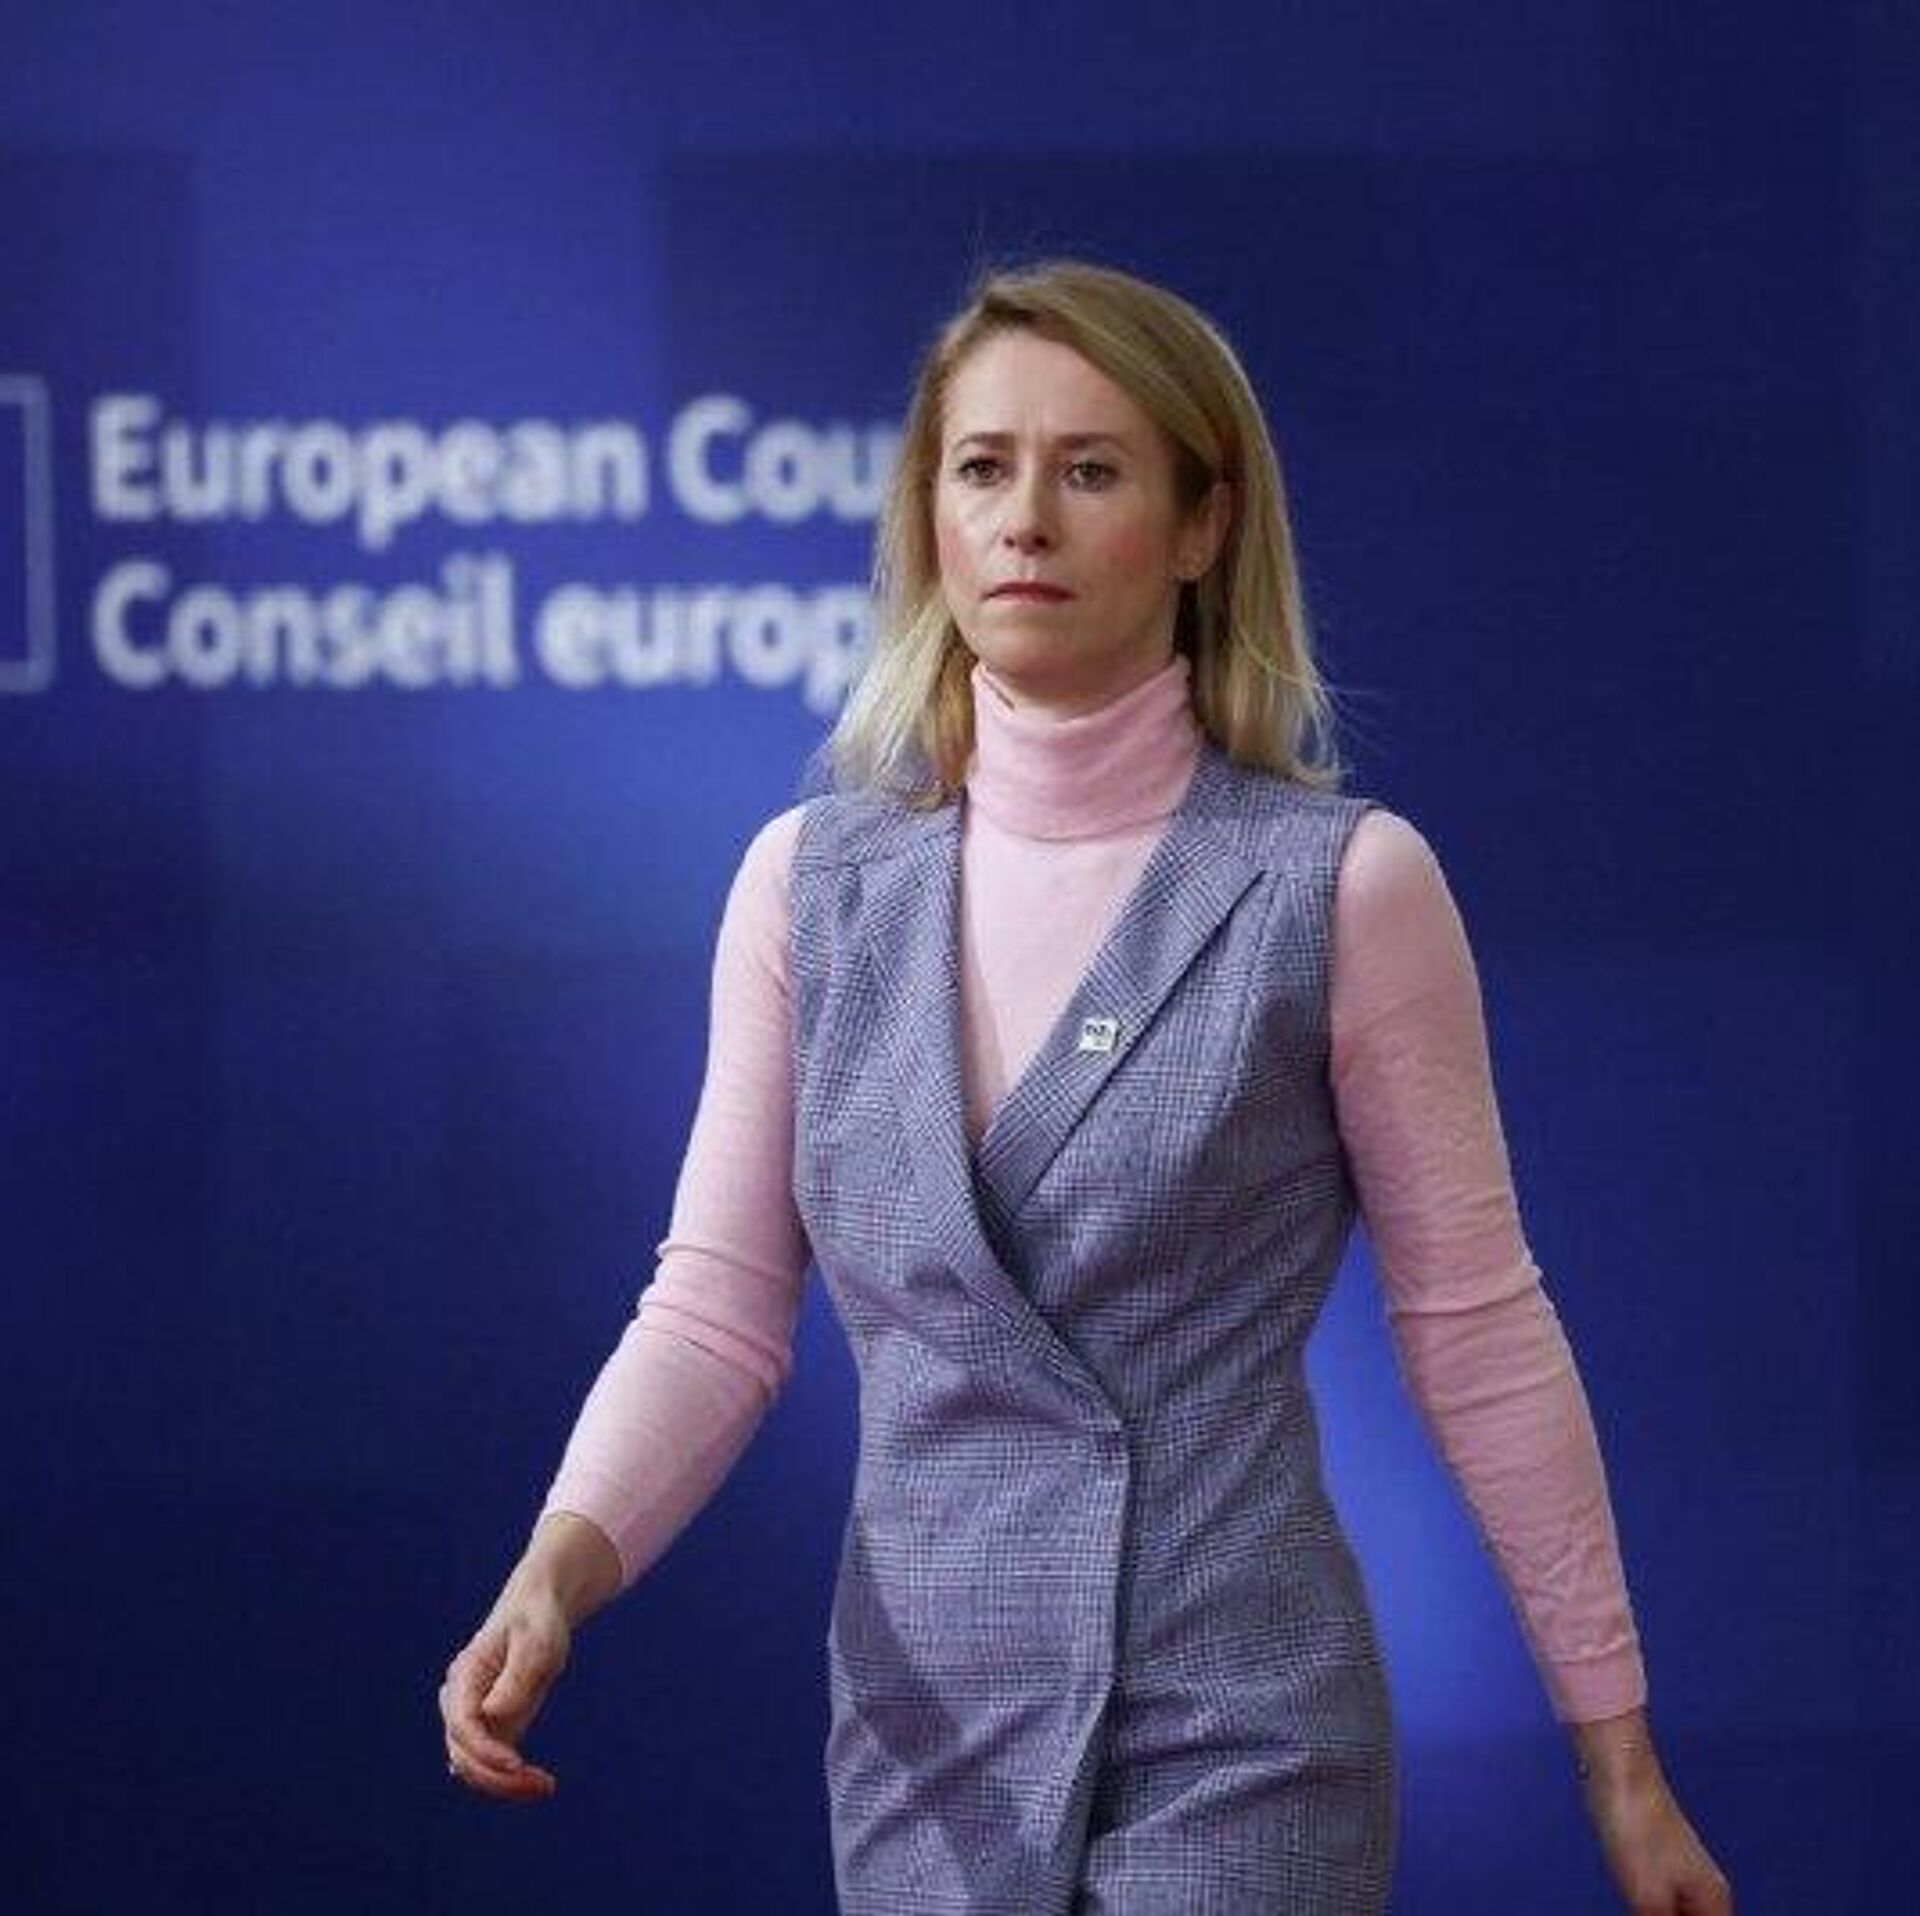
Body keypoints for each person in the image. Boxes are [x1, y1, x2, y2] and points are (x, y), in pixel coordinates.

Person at [439, 258, 1734, 1914]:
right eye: (983, 469)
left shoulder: (1342, 887)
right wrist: (559, 1569)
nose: (1025, 522)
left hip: (1239, 1732)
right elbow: (716, 1311)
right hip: (927, 1751)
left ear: (1203, 526)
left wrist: (1618, 1760)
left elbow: (1477, 1330)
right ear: (929, 516)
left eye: (1092, 470)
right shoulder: (807, 889)